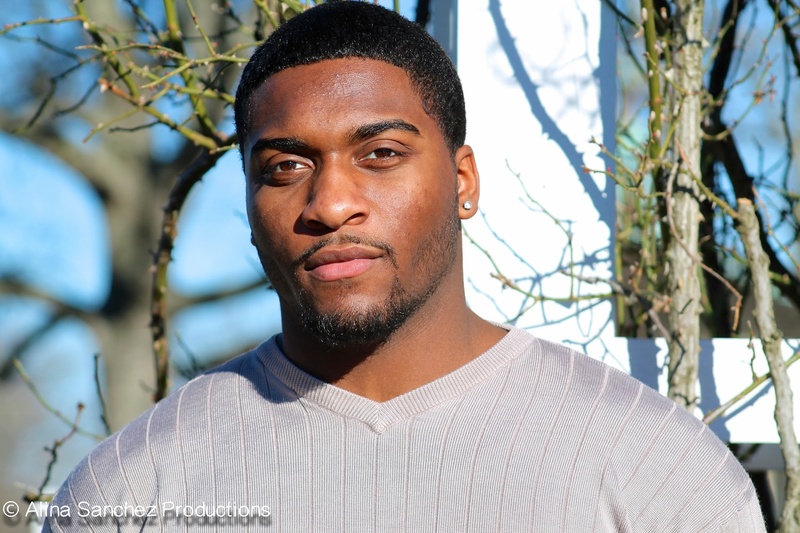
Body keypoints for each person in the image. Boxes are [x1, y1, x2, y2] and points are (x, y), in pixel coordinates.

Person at [44, 2, 765, 531]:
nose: (329, 203)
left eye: (380, 155)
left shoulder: (653, 469)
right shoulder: (129, 493)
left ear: (464, 181)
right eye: (285, 165)